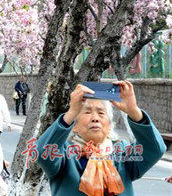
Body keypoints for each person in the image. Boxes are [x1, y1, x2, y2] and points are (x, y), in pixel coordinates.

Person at [36, 81, 166, 196]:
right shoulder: (64, 154)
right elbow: (43, 152)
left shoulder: (122, 152)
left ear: (109, 126)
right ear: (74, 126)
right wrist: (71, 113)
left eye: (101, 113)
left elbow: (154, 149)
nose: (95, 118)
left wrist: (134, 111)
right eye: (87, 112)